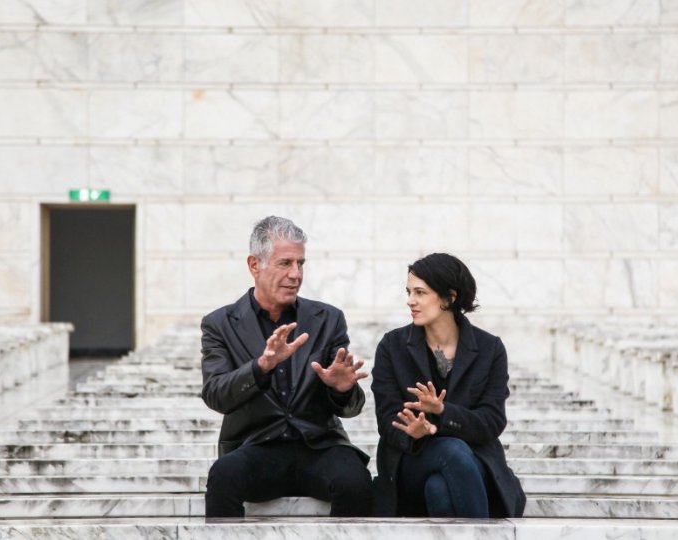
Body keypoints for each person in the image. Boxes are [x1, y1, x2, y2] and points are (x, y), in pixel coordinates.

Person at [200, 216, 372, 518]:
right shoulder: (219, 324)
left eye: (301, 263)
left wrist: (342, 389)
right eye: (285, 263)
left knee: (355, 480)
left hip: (319, 445)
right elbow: (216, 394)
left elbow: (351, 407)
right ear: (255, 265)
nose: (296, 274)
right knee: (224, 475)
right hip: (255, 445)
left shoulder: (328, 319)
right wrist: (261, 366)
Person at [371, 253, 526, 518]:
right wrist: (414, 432)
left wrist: (442, 412)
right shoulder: (392, 346)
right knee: (452, 452)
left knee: (440, 490)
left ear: (449, 297)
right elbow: (386, 419)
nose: (410, 301)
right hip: (412, 460)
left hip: (475, 462)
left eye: (420, 292)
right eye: (408, 292)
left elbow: (492, 421)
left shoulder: (490, 348)